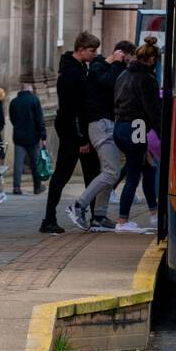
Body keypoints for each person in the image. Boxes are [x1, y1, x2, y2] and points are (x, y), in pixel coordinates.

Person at [67, 40, 135, 232]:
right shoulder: (98, 67)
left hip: (107, 124)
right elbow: (112, 83)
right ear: (121, 53)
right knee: (112, 172)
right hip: (100, 124)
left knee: (109, 172)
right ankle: (78, 205)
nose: (128, 64)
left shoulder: (104, 67)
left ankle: (99, 216)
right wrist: (117, 62)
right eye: (127, 59)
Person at [39, 31, 101, 235]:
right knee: (63, 175)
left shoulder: (79, 68)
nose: (94, 54)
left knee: (91, 174)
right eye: (92, 50)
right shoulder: (72, 74)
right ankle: (49, 219)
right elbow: (72, 109)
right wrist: (81, 138)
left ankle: (94, 217)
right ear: (81, 50)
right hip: (74, 134)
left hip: (77, 131)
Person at [113, 38, 161, 232]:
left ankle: (154, 213)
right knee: (134, 175)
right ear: (150, 60)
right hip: (137, 127)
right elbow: (153, 111)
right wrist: (162, 134)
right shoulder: (147, 79)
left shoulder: (123, 75)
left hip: (120, 127)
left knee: (149, 168)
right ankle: (122, 221)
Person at [9, 83, 47, 195]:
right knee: (35, 163)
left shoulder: (14, 102)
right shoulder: (34, 100)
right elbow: (40, 119)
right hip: (33, 136)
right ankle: (37, 187)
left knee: (18, 163)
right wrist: (43, 136)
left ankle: (16, 187)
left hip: (18, 136)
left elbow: (12, 119)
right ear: (30, 90)